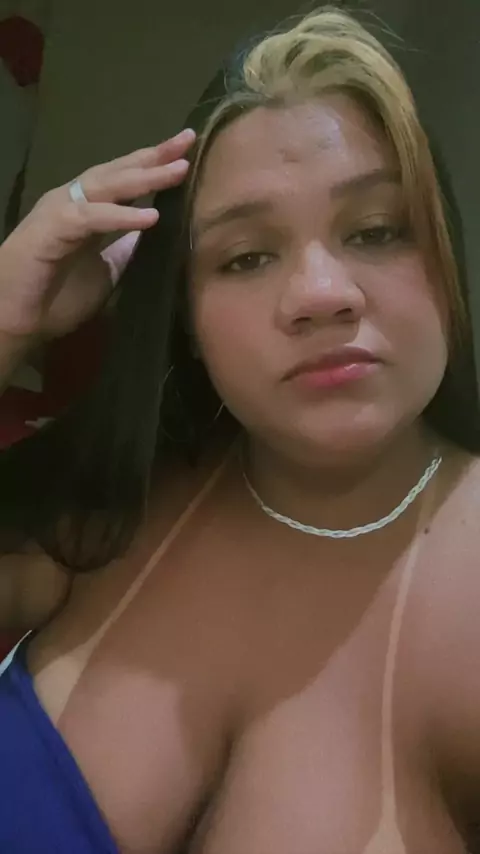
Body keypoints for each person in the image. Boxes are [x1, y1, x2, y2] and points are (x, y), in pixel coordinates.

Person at [0, 5, 479, 852]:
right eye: (247, 256)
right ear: (186, 317)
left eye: (376, 230)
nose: (321, 294)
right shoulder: (109, 507)